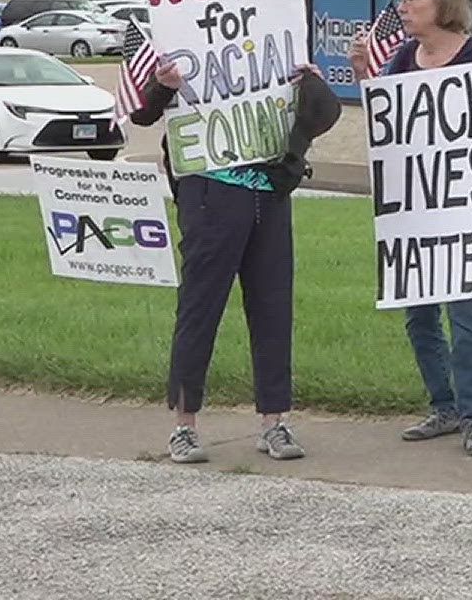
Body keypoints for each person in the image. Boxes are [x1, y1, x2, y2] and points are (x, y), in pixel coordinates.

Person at [129, 57, 339, 466]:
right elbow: (142, 112)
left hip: (270, 191)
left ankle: (273, 421)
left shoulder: (273, 38)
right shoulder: (176, 36)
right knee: (199, 308)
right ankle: (184, 425)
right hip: (209, 192)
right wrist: (164, 84)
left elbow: (321, 112)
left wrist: (309, 83)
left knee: (273, 308)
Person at [351, 0, 472, 457]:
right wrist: (364, 72)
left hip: (461, 209)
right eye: (400, 0)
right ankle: (443, 405)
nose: (400, 8)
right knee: (419, 315)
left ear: (440, 2)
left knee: (466, 313)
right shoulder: (403, 58)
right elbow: (386, 123)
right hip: (414, 210)